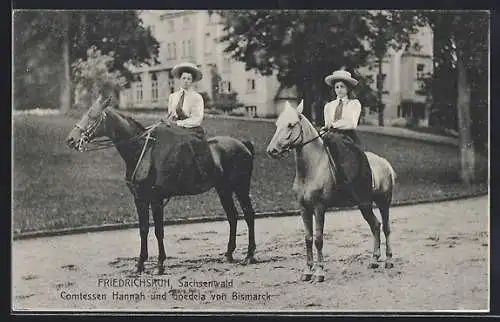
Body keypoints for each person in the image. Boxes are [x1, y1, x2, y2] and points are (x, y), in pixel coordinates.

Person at [321, 69, 372, 206]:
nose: (339, 90)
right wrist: (325, 129)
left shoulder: (354, 104)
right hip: (330, 135)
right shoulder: (329, 106)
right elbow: (327, 124)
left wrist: (334, 125)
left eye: (342, 87)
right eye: (336, 87)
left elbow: (352, 123)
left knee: (343, 153)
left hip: (346, 136)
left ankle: (346, 184)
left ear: (348, 88)